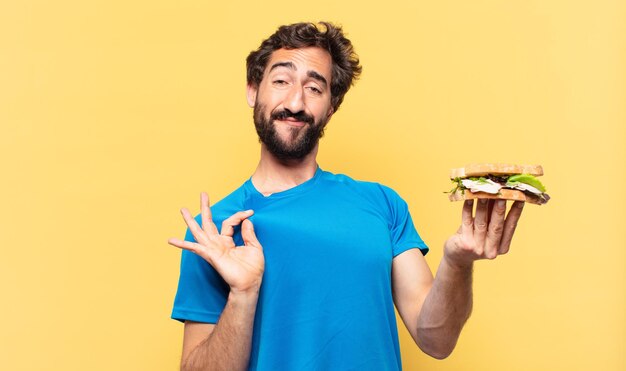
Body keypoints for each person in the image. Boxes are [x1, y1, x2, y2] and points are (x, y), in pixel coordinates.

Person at [169, 22, 524, 371]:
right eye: (281, 81)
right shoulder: (214, 231)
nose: (295, 101)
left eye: (314, 88)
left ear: (331, 107)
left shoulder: (382, 205)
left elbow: (437, 341)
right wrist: (242, 295)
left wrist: (457, 264)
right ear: (252, 90)